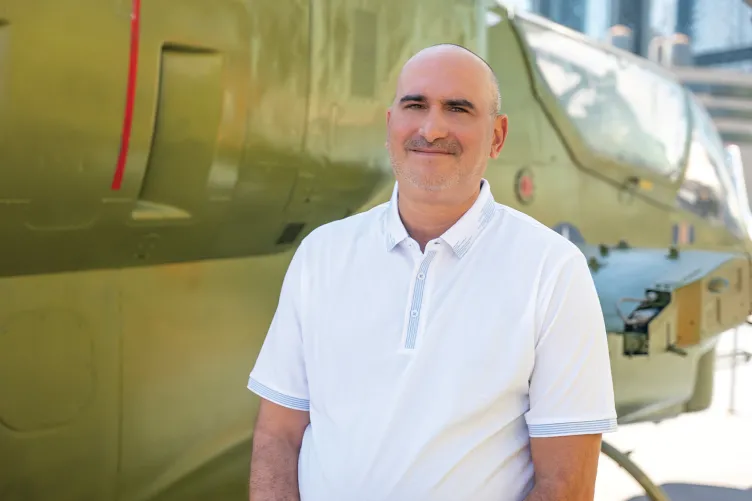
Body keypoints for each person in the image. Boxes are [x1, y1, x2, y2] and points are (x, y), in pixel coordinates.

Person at [246, 43, 617, 501]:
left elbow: (566, 485)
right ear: (390, 126)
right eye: (415, 105)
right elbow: (277, 437)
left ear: (497, 137)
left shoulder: (553, 270)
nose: (432, 127)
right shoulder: (321, 254)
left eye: (458, 109)